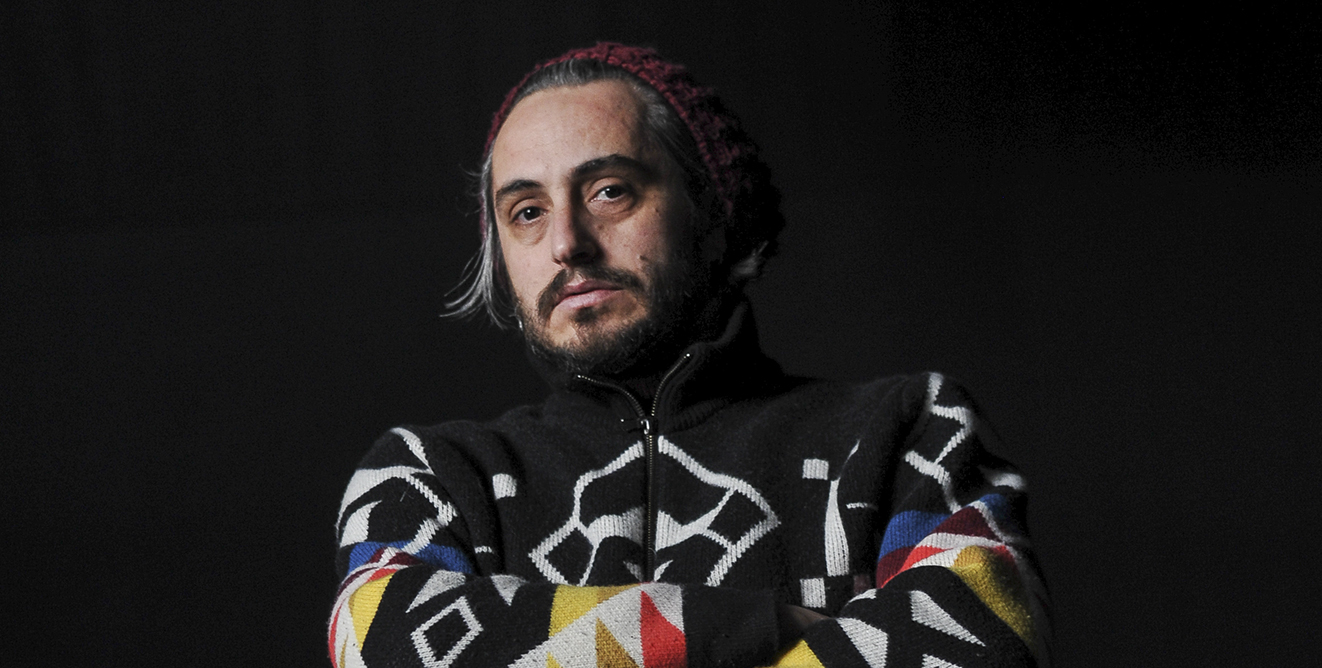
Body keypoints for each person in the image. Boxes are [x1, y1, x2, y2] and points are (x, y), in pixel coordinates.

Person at [328, 42, 1050, 668]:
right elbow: (375, 644)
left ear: (715, 215)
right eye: (526, 211)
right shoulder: (430, 478)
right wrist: (766, 627)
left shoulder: (910, 433)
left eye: (609, 192)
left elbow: (983, 643)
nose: (566, 242)